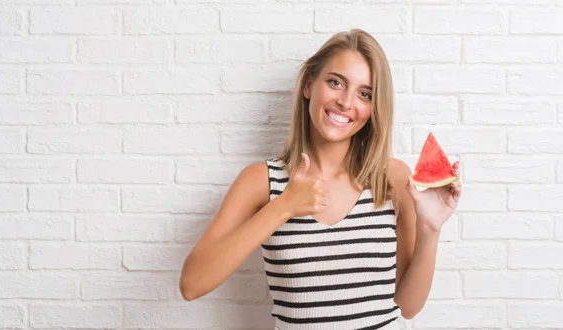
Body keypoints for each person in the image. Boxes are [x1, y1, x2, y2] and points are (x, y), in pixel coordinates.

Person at [179, 29, 462, 330]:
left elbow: (408, 306)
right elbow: (192, 284)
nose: (345, 102)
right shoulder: (261, 181)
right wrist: (283, 207)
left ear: (373, 107)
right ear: (309, 85)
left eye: (364, 94)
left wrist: (430, 228)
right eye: (335, 82)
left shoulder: (391, 178)